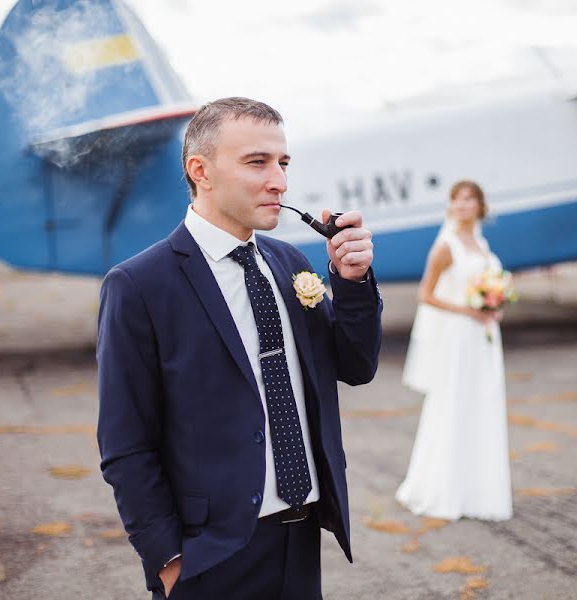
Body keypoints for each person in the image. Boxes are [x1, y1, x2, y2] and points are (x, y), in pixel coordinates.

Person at [96, 97, 383, 599]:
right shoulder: (139, 285)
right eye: (258, 162)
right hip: (212, 554)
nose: (280, 181)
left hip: (303, 534)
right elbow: (126, 445)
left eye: (283, 163)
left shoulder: (290, 261)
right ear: (200, 171)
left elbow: (355, 367)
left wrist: (352, 281)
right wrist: (168, 560)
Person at [395, 180, 513, 521]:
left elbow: (489, 285)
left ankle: (479, 491)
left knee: (483, 405)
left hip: (484, 337)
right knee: (454, 405)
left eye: (469, 199)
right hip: (460, 337)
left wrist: (495, 306)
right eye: (457, 200)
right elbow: (426, 295)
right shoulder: (446, 247)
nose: (462, 205)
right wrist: (469, 311)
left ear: (480, 206)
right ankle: (441, 490)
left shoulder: (482, 244)